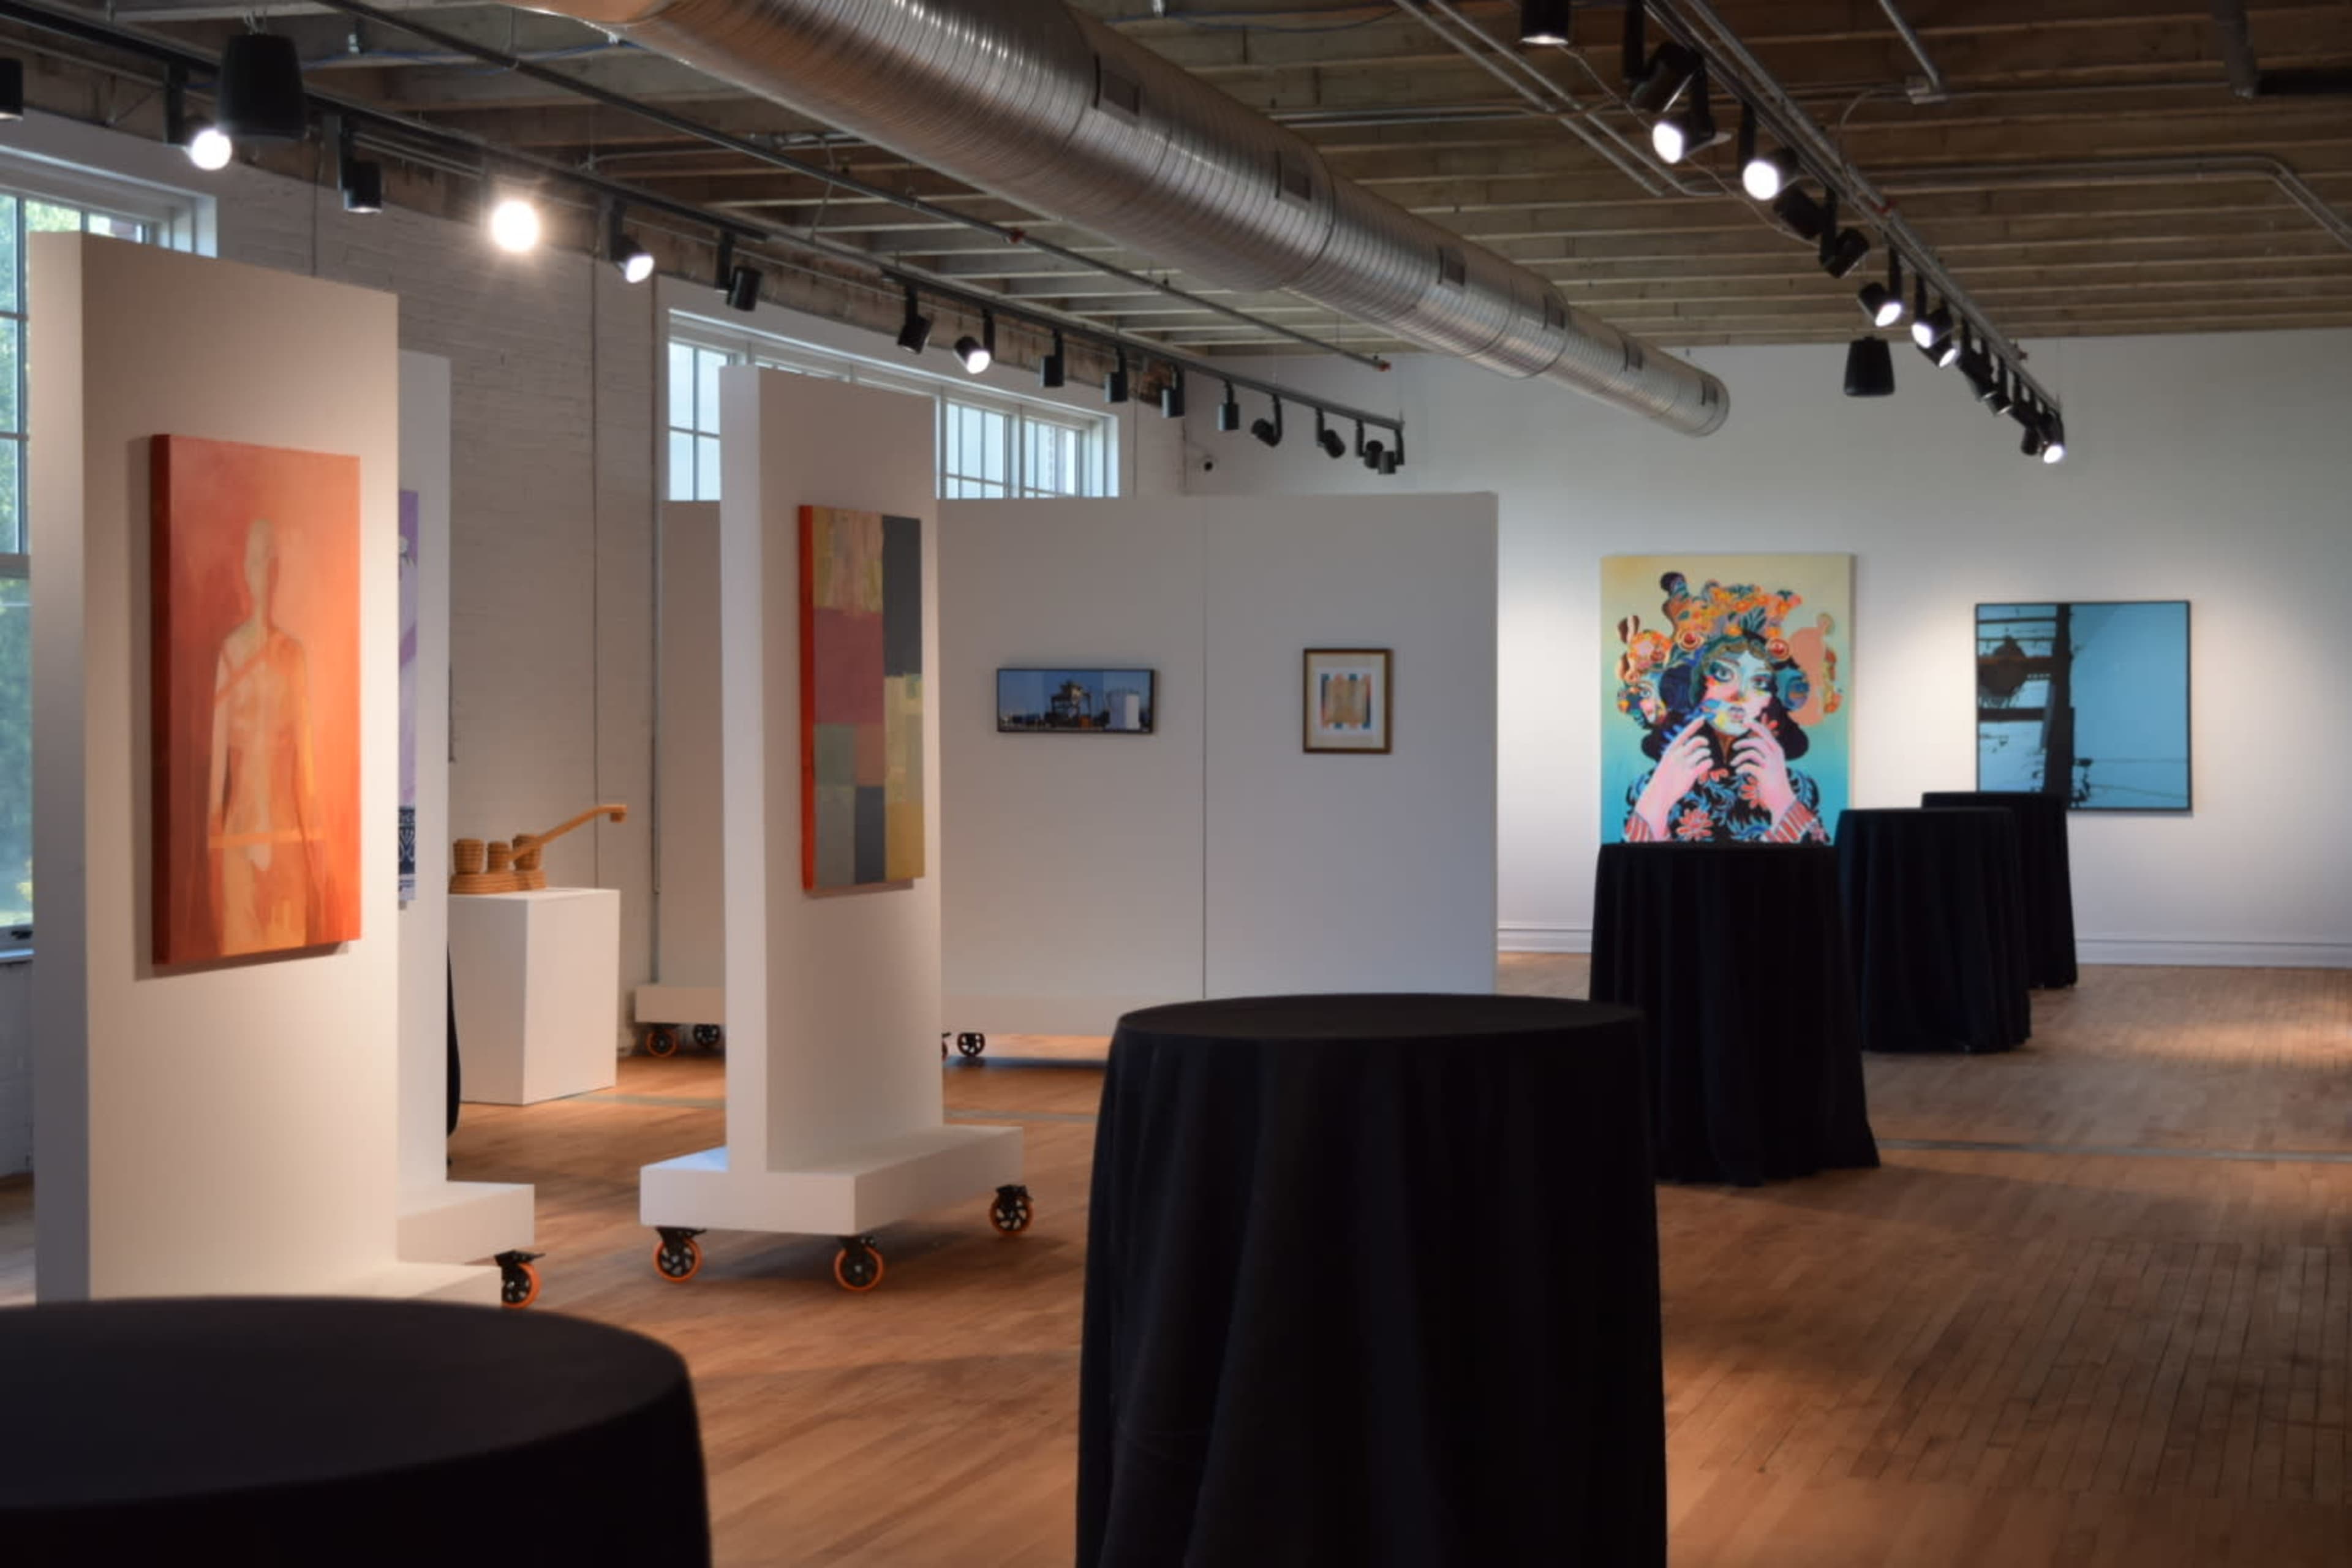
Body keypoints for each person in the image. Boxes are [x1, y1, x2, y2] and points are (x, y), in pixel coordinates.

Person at [1614, 572, 1839, 844]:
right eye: (1723, 675)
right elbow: (1636, 876)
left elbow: (1814, 873)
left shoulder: (1797, 787)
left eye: (1758, 682)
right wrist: (1658, 799)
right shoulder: (1653, 783)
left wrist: (1782, 800)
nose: (1740, 695)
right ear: (1695, 688)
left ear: (1769, 698)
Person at [206, 516, 324, 954]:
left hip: (287, 840)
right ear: (245, 567)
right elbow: (216, 772)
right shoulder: (230, 653)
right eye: (257, 559)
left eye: (272, 560)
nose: (265, 571)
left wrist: (317, 847)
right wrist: (213, 847)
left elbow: (306, 766)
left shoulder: (293, 656)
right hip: (239, 840)